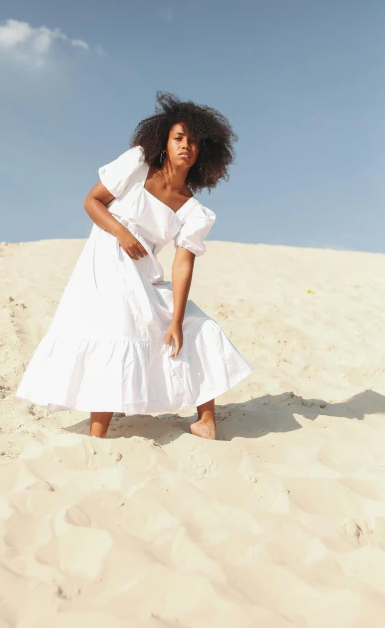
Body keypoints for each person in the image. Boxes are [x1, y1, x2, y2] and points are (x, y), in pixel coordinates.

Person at [15, 92, 254, 439]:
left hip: (142, 274)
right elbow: (92, 201)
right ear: (164, 141)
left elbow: (183, 264)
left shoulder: (192, 210)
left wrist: (176, 319)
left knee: (198, 325)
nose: (186, 145)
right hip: (104, 266)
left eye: (193, 141)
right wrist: (121, 232)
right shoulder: (138, 164)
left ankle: (206, 421)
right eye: (178, 138)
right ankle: (98, 434)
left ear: (204, 151)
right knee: (118, 334)